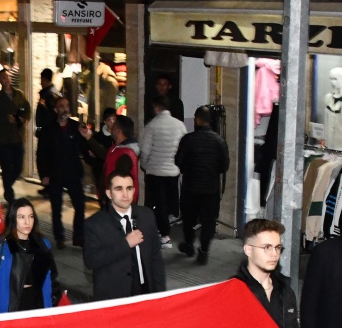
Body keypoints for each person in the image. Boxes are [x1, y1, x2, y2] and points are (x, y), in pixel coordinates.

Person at [82, 171, 164, 301]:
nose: (125, 194)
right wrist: (125, 244)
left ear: (134, 191)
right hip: (115, 298)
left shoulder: (146, 215)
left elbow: (156, 259)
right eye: (119, 189)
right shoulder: (94, 224)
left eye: (129, 188)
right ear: (109, 193)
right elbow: (91, 261)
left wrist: (161, 295)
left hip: (146, 293)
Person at [0, 200, 56, 316]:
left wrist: (52, 312)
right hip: (8, 311)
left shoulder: (43, 245)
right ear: (13, 219)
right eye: (21, 217)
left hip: (37, 309)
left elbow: (52, 281)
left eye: (31, 216)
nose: (27, 222)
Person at [174, 107, 232, 264]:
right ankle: (204, 251)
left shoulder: (188, 139)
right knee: (209, 221)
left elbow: (178, 161)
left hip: (190, 187)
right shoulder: (219, 141)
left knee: (188, 219)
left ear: (197, 119)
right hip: (211, 188)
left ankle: (189, 244)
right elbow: (224, 166)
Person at [36, 96, 91, 249]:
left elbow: (84, 148)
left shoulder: (75, 127)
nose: (65, 109)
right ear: (56, 109)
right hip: (55, 173)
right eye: (61, 106)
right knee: (56, 207)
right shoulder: (48, 129)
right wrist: (43, 175)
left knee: (79, 205)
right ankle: (59, 236)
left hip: (73, 172)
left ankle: (78, 236)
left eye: (67, 106)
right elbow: (41, 154)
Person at [234, 218, 298, 328]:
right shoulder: (234, 292)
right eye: (267, 247)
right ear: (248, 250)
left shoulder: (285, 290)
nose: (274, 254)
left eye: (277, 247)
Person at [138, 96, 184, 246]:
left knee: (158, 204)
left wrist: (145, 166)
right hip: (173, 172)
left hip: (155, 172)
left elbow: (145, 151)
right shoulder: (180, 125)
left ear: (157, 108)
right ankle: (165, 230)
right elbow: (183, 149)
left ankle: (164, 235)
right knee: (169, 203)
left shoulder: (151, 126)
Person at [0, 69, 30, 203]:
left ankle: (8, 185)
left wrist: (22, 118)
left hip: (17, 136)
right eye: (3, 77)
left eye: (7, 77)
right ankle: (9, 194)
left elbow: (26, 109)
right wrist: (5, 119)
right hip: (2, 138)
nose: (6, 79)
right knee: (6, 167)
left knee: (18, 166)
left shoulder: (18, 94)